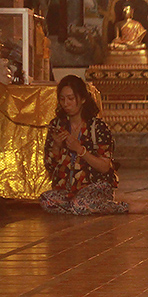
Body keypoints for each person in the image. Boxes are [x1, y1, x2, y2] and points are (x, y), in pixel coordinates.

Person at [40, 75, 128, 215]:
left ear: (82, 99)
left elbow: (105, 167)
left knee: (79, 204)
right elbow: (50, 166)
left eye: (71, 99)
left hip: (95, 185)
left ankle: (121, 207)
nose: (66, 104)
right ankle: (84, 207)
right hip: (68, 189)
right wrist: (56, 146)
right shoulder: (57, 125)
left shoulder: (97, 127)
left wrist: (80, 150)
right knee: (47, 200)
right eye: (62, 99)